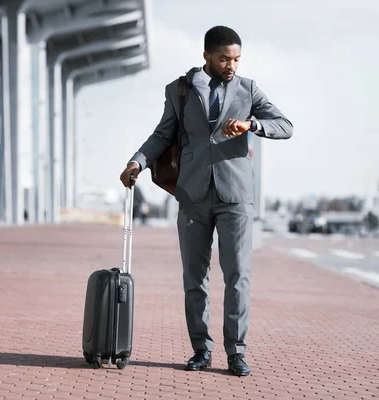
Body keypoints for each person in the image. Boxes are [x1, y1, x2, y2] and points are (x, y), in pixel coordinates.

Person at [119, 25, 293, 376]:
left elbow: (285, 125)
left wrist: (251, 125)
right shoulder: (179, 90)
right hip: (193, 194)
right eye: (225, 58)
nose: (232, 65)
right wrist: (138, 160)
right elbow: (162, 134)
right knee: (194, 277)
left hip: (235, 195)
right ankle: (201, 349)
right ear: (207, 56)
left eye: (237, 59)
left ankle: (236, 353)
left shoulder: (248, 89)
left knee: (238, 274)